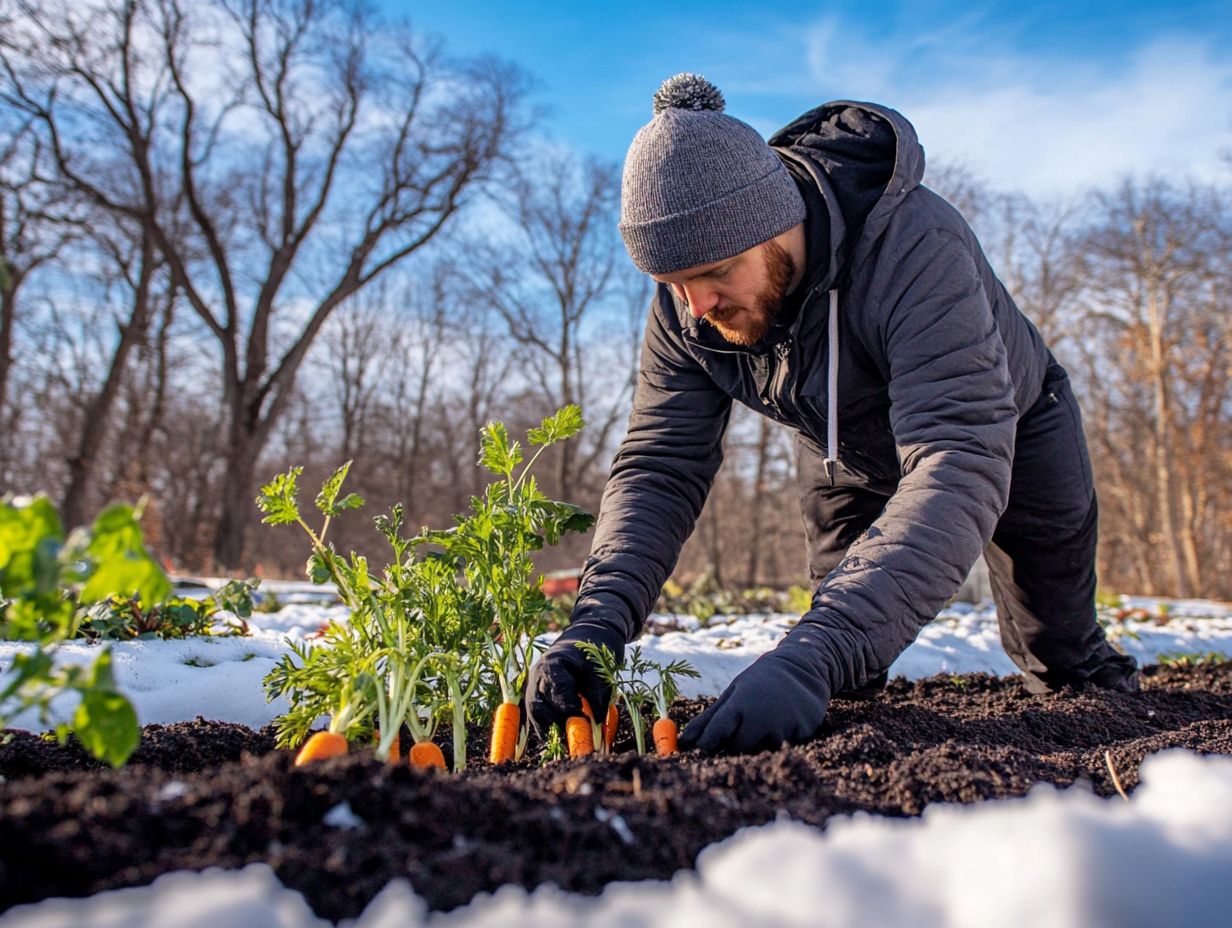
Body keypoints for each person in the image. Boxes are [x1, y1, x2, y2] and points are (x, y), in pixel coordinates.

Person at [527, 73, 1139, 755]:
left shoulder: (915, 248)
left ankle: (1122, 752)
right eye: (672, 283)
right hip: (841, 450)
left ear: (774, 224)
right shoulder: (688, 306)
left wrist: (815, 652)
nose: (696, 305)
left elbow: (956, 458)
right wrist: (597, 622)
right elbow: (660, 466)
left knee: (1063, 660)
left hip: (1004, 433)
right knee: (841, 678)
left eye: (718, 273)